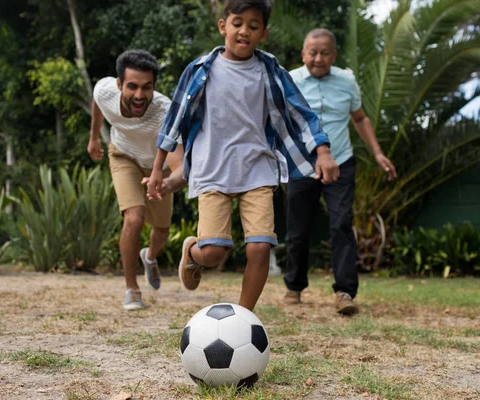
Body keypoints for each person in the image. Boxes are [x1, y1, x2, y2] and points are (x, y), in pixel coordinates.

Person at [146, 0, 339, 312]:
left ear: (263, 33)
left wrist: (323, 151)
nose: (244, 31)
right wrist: (158, 169)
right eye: (237, 23)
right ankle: (193, 252)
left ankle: (243, 317)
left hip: (257, 169)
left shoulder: (271, 71)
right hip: (213, 170)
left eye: (253, 25)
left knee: (261, 246)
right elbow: (174, 120)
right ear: (223, 26)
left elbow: (302, 113)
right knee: (214, 254)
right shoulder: (199, 71)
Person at [284, 28, 397, 314]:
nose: (318, 58)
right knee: (299, 229)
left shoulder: (347, 81)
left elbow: (360, 119)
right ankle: (294, 287)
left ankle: (345, 291)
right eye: (312, 53)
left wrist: (378, 153)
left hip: (341, 162)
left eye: (324, 53)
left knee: (341, 225)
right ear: (303, 54)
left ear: (334, 55)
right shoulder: (291, 80)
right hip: (303, 164)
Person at [88, 49, 186, 310]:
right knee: (134, 218)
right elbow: (97, 102)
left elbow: (180, 167)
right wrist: (94, 136)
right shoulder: (104, 90)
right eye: (132, 87)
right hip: (123, 156)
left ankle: (150, 257)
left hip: (158, 167)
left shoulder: (166, 111)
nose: (140, 95)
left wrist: (165, 183)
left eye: (147, 87)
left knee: (162, 230)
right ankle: (132, 289)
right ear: (119, 83)